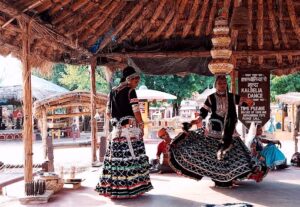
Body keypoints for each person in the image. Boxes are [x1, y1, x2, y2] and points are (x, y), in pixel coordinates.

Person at [169, 74, 265, 188]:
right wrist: (196, 120)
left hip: (230, 131)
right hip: (215, 131)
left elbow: (247, 103)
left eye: (224, 83)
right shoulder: (211, 98)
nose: (222, 85)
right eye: (220, 83)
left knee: (236, 155)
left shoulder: (232, 97)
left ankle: (231, 177)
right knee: (214, 156)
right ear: (216, 85)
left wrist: (249, 101)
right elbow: (203, 113)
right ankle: (220, 179)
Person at [95, 66, 153, 199]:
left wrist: (117, 121)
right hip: (131, 131)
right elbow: (136, 111)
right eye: (135, 80)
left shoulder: (112, 92)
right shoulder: (130, 91)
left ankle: (115, 189)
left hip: (116, 132)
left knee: (115, 160)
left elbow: (108, 112)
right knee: (131, 158)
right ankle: (132, 189)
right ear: (129, 79)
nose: (137, 83)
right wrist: (141, 125)